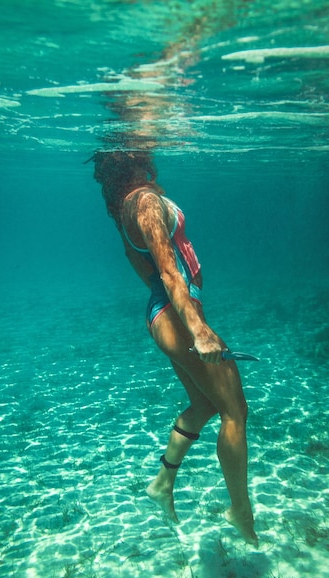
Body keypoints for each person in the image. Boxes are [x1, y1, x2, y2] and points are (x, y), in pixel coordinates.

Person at [92, 150, 258, 547]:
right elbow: (167, 269)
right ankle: (240, 510)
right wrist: (197, 327)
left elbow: (140, 263)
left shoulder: (127, 205)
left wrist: (175, 310)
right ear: (132, 158)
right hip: (176, 316)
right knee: (235, 411)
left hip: (165, 312)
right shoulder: (145, 203)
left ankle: (163, 483)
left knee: (205, 404)